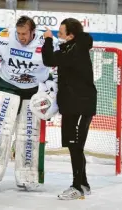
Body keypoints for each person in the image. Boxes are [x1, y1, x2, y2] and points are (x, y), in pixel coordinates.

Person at [0, 15, 59, 191]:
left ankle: (28, 176)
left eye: (25, 34)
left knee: (29, 133)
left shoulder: (49, 42)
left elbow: (59, 71)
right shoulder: (3, 38)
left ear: (33, 32)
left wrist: (56, 97)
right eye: (19, 33)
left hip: (34, 93)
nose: (21, 37)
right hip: (7, 87)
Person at [42, 18, 97, 200]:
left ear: (71, 34)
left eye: (61, 31)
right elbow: (51, 60)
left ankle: (77, 187)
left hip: (81, 106)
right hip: (70, 106)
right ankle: (83, 183)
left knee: (76, 146)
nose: (59, 33)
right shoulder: (67, 49)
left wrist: (48, 39)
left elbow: (49, 58)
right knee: (74, 146)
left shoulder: (78, 48)